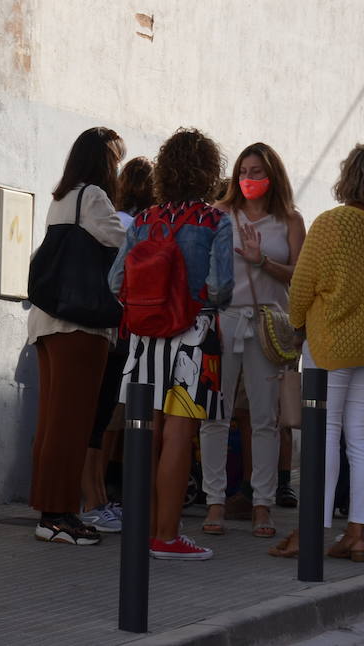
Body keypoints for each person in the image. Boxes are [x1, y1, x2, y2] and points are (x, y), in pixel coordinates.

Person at [274, 144, 364, 562]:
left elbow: (303, 284)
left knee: (324, 434)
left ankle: (309, 531)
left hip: (331, 340)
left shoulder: (331, 223)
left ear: (347, 177)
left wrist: (297, 326)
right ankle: (358, 534)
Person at [108, 128, 234, 561]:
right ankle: (167, 535)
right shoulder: (216, 221)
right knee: (181, 434)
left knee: (146, 433)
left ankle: (140, 528)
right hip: (193, 336)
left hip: (144, 340)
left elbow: (115, 281)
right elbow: (221, 289)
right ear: (208, 171)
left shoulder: (143, 220)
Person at [199, 143, 305, 542]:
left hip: (268, 324)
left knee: (265, 419)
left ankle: (263, 502)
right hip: (225, 320)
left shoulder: (290, 220)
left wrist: (263, 261)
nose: (248, 178)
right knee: (215, 415)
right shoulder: (220, 214)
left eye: (257, 171)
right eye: (243, 170)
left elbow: (299, 274)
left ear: (272, 175)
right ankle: (215, 501)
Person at [28, 127, 127, 545]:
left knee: (52, 420)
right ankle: (58, 516)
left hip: (49, 320)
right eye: (116, 158)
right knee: (72, 423)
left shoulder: (61, 197)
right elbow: (123, 246)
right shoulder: (95, 197)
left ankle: (49, 509)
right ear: (105, 159)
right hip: (81, 325)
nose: (119, 167)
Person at [80, 156, 157, 533]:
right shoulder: (128, 224)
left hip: (113, 328)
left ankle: (99, 497)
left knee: (104, 417)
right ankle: (96, 498)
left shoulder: (116, 217)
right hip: (118, 329)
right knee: (104, 417)